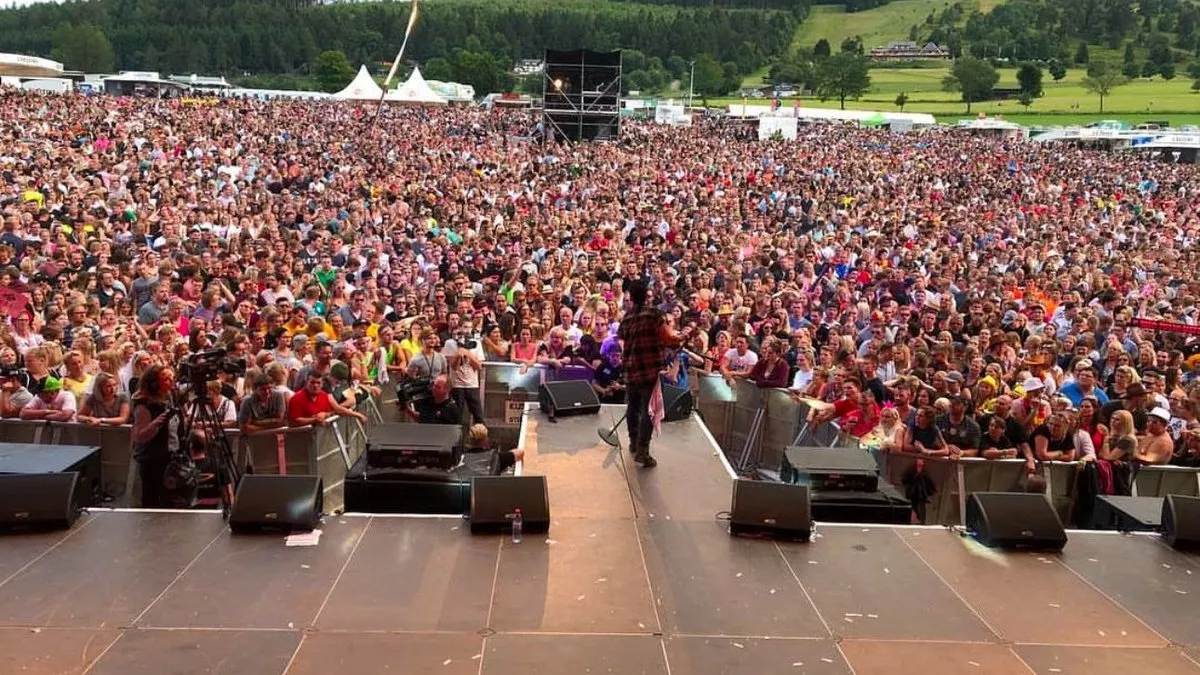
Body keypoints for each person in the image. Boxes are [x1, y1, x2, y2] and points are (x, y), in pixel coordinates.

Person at [617, 280, 681, 468]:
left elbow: (622, 338)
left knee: (632, 407)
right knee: (648, 410)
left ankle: (633, 443)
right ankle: (643, 451)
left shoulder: (627, 318)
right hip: (649, 369)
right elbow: (668, 338)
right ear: (647, 295)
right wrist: (683, 336)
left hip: (630, 368)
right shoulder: (655, 315)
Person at [129, 365, 181, 508]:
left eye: (172, 379)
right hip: (152, 459)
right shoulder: (143, 405)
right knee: (152, 499)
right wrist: (157, 422)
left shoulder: (171, 398)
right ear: (154, 383)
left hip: (171, 456)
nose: (171, 383)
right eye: (166, 379)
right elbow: (140, 435)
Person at [288, 370, 368, 426]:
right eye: (312, 382)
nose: (315, 385)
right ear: (306, 383)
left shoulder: (325, 396)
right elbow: (293, 422)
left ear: (322, 384)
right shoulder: (296, 399)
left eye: (318, 383)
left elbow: (336, 410)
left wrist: (326, 415)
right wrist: (315, 420)